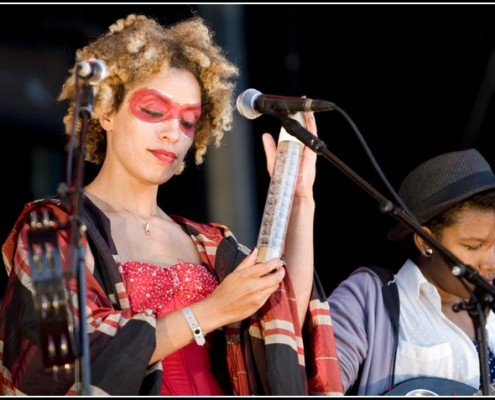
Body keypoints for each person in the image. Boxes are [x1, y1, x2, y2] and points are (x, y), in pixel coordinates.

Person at [0, 13, 344, 396]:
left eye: (188, 121)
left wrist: (300, 199)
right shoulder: (47, 228)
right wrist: (209, 311)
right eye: (153, 111)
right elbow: (50, 362)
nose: (171, 133)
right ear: (106, 110)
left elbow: (283, 326)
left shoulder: (210, 242)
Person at [328, 148, 495, 396]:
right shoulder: (368, 297)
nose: (491, 262)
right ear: (425, 241)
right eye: (472, 246)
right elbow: (318, 384)